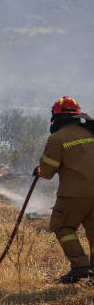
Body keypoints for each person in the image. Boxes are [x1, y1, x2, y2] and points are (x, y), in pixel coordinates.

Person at [35, 97, 94, 283]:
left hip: (74, 193)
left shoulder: (58, 137)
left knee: (62, 226)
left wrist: (39, 169)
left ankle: (80, 265)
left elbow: (47, 172)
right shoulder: (91, 130)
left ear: (56, 116)